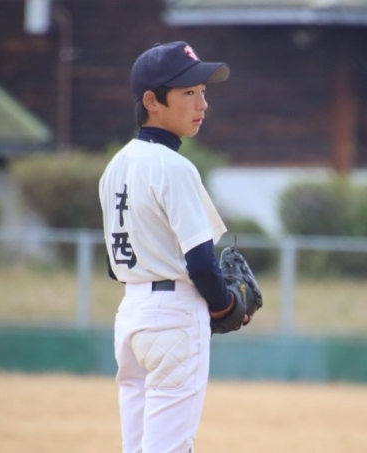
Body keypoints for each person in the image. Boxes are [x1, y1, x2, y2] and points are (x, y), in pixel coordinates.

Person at [99, 41, 249, 453]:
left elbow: (114, 264)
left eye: (203, 91)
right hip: (173, 318)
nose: (202, 104)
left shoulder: (115, 167)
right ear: (151, 101)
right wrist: (223, 305)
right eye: (188, 93)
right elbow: (200, 263)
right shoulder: (175, 167)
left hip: (131, 318)